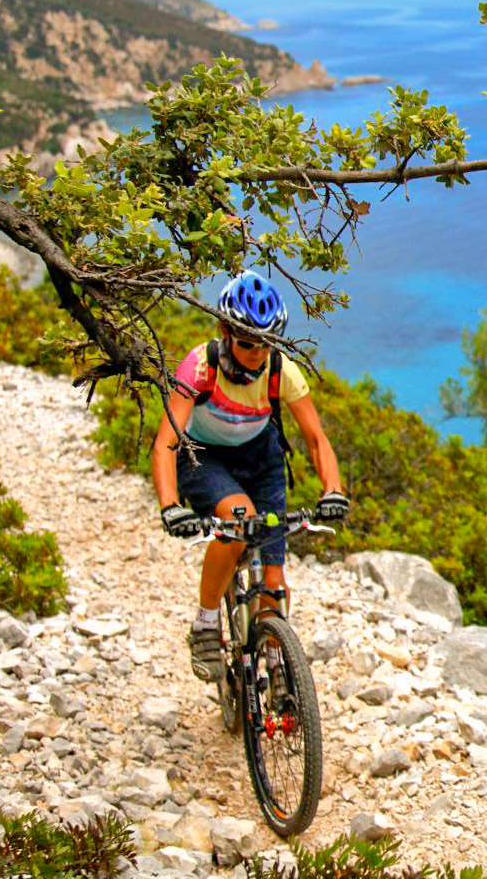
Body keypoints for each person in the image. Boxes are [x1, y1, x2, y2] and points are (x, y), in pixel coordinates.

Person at [152, 271, 350, 681]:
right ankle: (206, 623)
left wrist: (333, 490)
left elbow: (316, 439)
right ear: (225, 331)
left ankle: (279, 666)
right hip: (204, 458)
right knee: (239, 522)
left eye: (266, 342)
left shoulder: (282, 370)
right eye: (246, 342)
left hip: (263, 462)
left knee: (274, 580)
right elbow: (167, 441)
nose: (257, 353)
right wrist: (170, 506)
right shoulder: (201, 366)